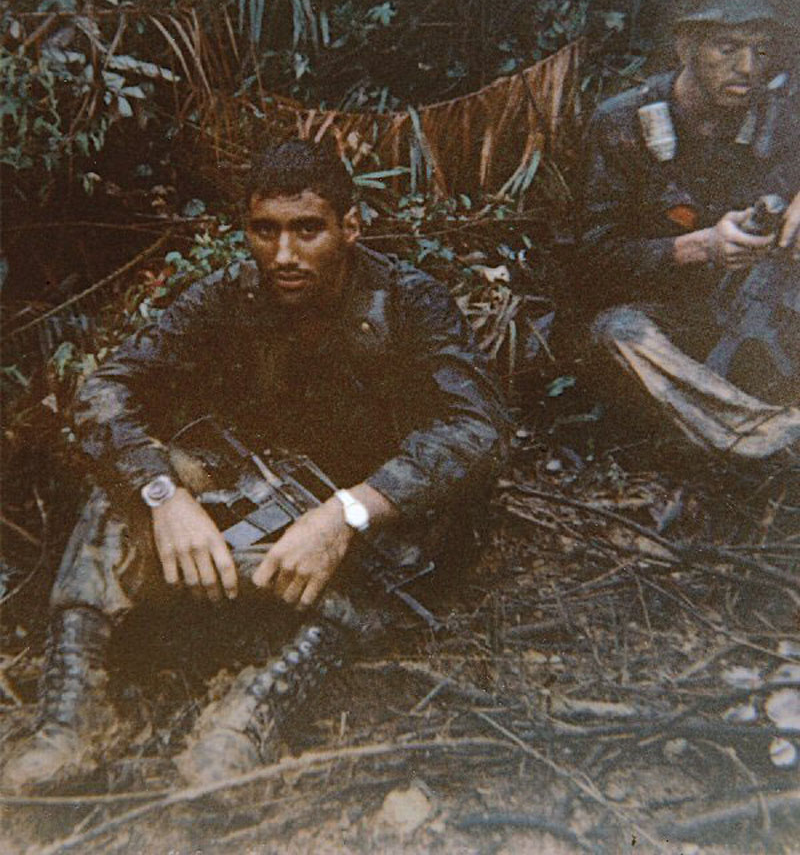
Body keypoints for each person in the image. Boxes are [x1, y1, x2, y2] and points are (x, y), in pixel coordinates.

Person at [1, 139, 509, 792]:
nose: (285, 254)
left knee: (397, 539)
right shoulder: (228, 294)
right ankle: (75, 717)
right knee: (122, 486)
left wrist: (346, 514)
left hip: (371, 517)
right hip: (261, 487)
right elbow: (105, 390)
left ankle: (246, 714)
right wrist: (164, 496)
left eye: (308, 230)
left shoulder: (410, 304)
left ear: (350, 227)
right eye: (264, 231)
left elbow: (479, 430)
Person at [579, 0, 800, 461]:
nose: (748, 67)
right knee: (617, 334)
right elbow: (589, 260)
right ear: (686, 47)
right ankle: (766, 435)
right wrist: (701, 246)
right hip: (680, 327)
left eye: (761, 51)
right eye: (727, 47)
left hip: (772, 316)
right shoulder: (622, 126)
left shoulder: (783, 112)